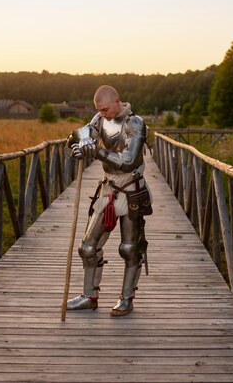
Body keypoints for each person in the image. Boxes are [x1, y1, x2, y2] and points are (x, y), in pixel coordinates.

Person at [66, 85, 151, 316]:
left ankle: (126, 298)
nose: (101, 114)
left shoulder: (135, 123)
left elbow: (129, 160)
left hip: (130, 188)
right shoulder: (100, 117)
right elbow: (81, 133)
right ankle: (89, 296)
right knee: (87, 247)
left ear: (116, 102)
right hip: (107, 188)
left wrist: (98, 152)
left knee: (129, 248)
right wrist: (83, 142)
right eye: (98, 110)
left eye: (104, 109)